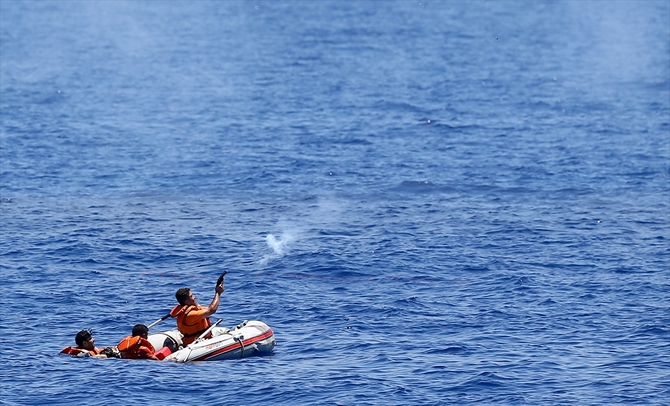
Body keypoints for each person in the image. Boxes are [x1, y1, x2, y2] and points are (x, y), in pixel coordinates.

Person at [170, 280, 226, 346]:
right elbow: (211, 310)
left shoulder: (190, 308)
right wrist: (218, 293)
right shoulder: (191, 315)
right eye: (191, 296)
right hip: (197, 342)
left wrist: (195, 302)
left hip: (205, 335)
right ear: (187, 302)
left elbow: (206, 308)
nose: (194, 297)